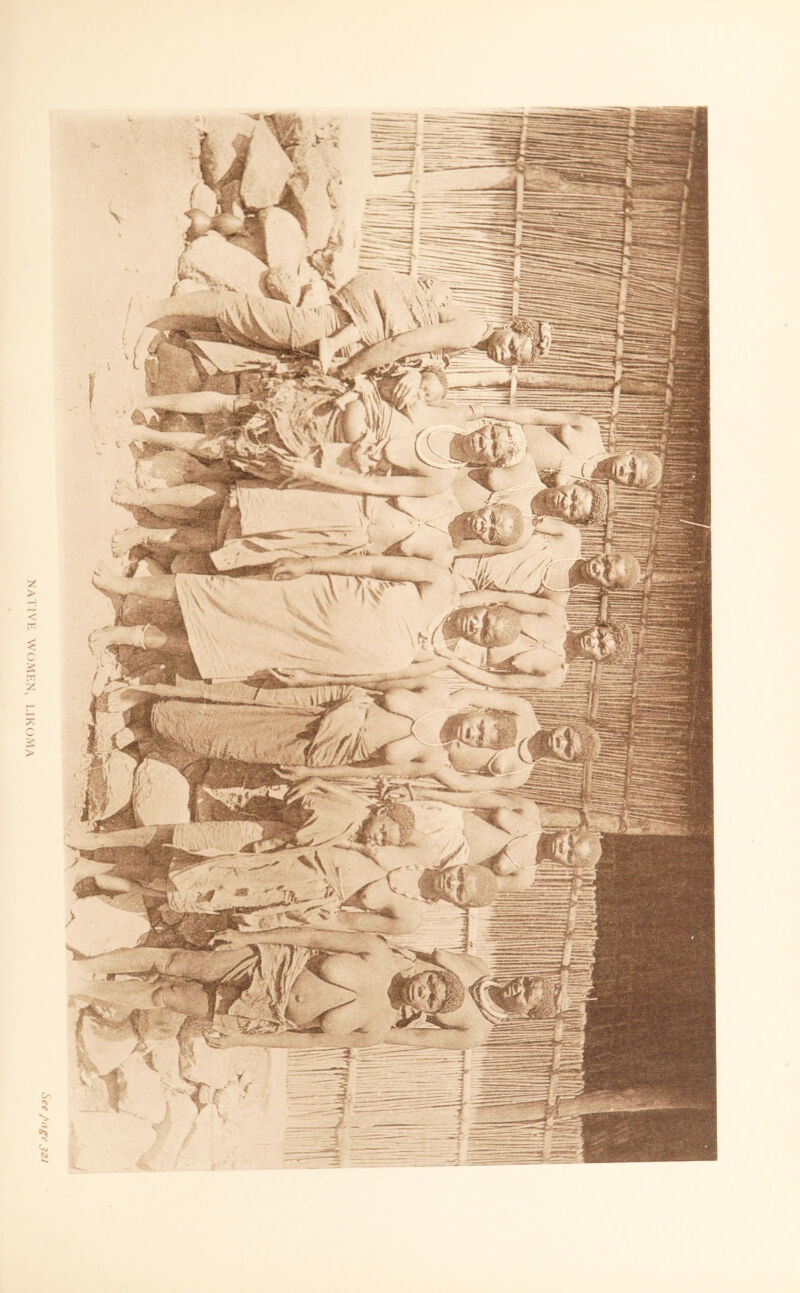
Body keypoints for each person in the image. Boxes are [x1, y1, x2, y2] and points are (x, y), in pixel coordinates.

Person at [88, 552, 525, 685]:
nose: (476, 626)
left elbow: (367, 680)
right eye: (484, 619)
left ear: (481, 645)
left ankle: (123, 635)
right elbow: (372, 567)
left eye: (484, 635)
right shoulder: (440, 584)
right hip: (311, 599)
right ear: (483, 606)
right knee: (214, 593)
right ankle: (120, 585)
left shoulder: (438, 657)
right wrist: (310, 565)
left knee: (221, 650)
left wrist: (308, 679)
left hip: (309, 651)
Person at [70, 928, 542, 1050]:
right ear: (427, 971)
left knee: (165, 997)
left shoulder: (377, 1028)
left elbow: (304, 1042)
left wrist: (242, 1039)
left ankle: (83, 990)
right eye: (434, 983)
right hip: (269, 964)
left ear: (429, 1012)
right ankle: (83, 968)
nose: (428, 992)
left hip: (261, 1011)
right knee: (170, 961)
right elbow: (315, 938)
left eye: (435, 1001)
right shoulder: (379, 954)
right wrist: (250, 939)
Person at [93, 677, 541, 792]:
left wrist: (314, 773)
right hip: (329, 701)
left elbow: (368, 772)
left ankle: (147, 728)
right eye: (482, 724)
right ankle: (143, 693)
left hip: (319, 748)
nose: (475, 731)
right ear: (480, 710)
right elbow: (379, 680)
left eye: (479, 739)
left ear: (474, 747)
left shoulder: (436, 760)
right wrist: (318, 679)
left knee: (231, 739)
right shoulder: (437, 692)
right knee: (244, 696)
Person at [124, 268, 552, 376]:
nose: (506, 352)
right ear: (511, 324)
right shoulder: (470, 330)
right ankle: (148, 307)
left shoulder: (468, 337)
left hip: (364, 320)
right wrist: (351, 369)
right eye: (514, 343)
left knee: (262, 335)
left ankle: (161, 322)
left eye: (513, 359)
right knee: (265, 319)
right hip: (359, 319)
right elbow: (402, 342)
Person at [110, 479, 528, 574]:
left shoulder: (442, 557)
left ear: (487, 542)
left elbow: (376, 569)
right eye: (493, 516)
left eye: (491, 531)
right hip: (338, 502)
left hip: (340, 543)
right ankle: (145, 497)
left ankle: (144, 536)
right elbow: (381, 481)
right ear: (491, 505)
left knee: (232, 541)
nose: (484, 524)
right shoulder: (445, 489)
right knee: (236, 502)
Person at [425, 596, 634, 690]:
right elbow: (503, 599)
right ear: (598, 626)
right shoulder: (555, 614)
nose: (593, 641)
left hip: (465, 655)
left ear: (599, 660)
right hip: (469, 616)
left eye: (601, 648)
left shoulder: (554, 676)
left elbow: (497, 681)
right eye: (600, 634)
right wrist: (457, 603)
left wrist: (449, 659)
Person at [464, 403, 663, 490]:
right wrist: (482, 411)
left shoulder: (583, 492)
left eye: (630, 477)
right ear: (630, 452)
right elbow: (535, 416)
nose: (624, 470)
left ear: (626, 486)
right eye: (632, 464)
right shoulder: (590, 429)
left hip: (481, 471)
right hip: (487, 433)